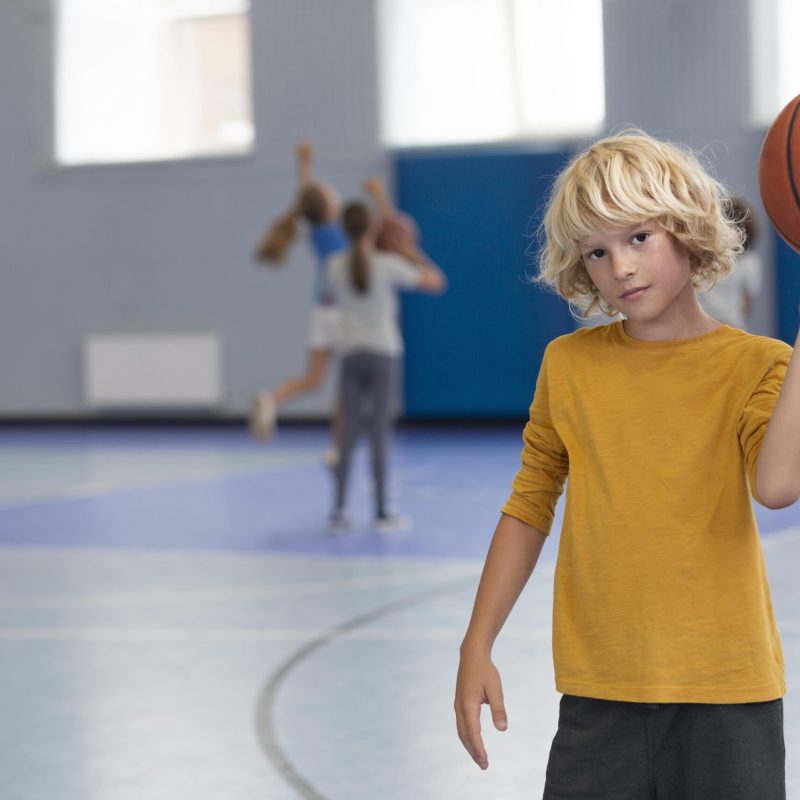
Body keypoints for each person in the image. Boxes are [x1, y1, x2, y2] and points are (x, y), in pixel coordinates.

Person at [454, 130, 797, 798]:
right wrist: (476, 645)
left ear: (688, 230)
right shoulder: (570, 366)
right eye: (597, 252)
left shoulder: (759, 365)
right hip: (599, 695)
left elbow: (779, 486)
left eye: (639, 237)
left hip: (729, 695)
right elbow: (528, 508)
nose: (621, 268)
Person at [251, 141, 413, 451]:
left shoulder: (315, 231)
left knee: (314, 378)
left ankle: (273, 399)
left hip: (319, 311)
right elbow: (388, 226)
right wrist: (378, 193)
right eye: (332, 194)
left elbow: (305, 196)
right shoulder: (348, 234)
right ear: (329, 208)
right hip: (343, 314)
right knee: (346, 386)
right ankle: (338, 448)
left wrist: (305, 164)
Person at [326, 201, 446, 532]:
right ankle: (381, 512)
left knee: (347, 434)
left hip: (350, 354)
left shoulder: (334, 265)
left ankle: (338, 511)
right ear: (373, 229)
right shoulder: (388, 265)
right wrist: (409, 250)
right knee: (379, 433)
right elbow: (436, 281)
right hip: (383, 353)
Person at [699, 195, 763, 329]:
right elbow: (747, 304)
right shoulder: (750, 262)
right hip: (732, 324)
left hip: (704, 324)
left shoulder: (701, 257)